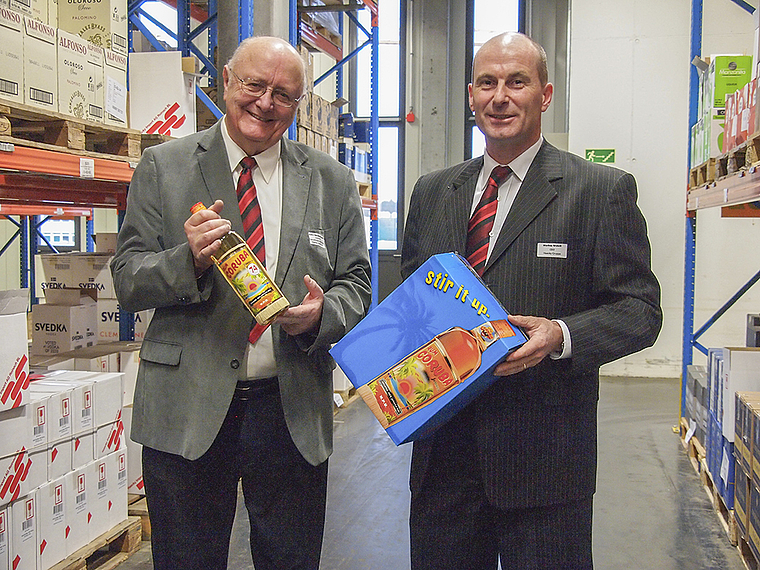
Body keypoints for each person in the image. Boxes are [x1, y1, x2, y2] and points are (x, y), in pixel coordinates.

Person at [400, 32, 662, 569]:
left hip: (545, 461)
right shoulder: (432, 191)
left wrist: (560, 336)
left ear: (544, 94)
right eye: (488, 83)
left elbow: (639, 309)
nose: (501, 96)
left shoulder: (599, 191)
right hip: (443, 460)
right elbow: (412, 303)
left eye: (516, 82)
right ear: (471, 95)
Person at [111, 36, 371, 570]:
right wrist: (190, 261)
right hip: (187, 405)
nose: (265, 103)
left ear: (298, 103)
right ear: (227, 80)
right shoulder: (164, 166)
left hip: (290, 406)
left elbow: (358, 285)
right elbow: (129, 279)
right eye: (254, 85)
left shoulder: (333, 181)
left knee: (290, 558)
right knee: (187, 559)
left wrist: (323, 314)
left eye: (283, 94)